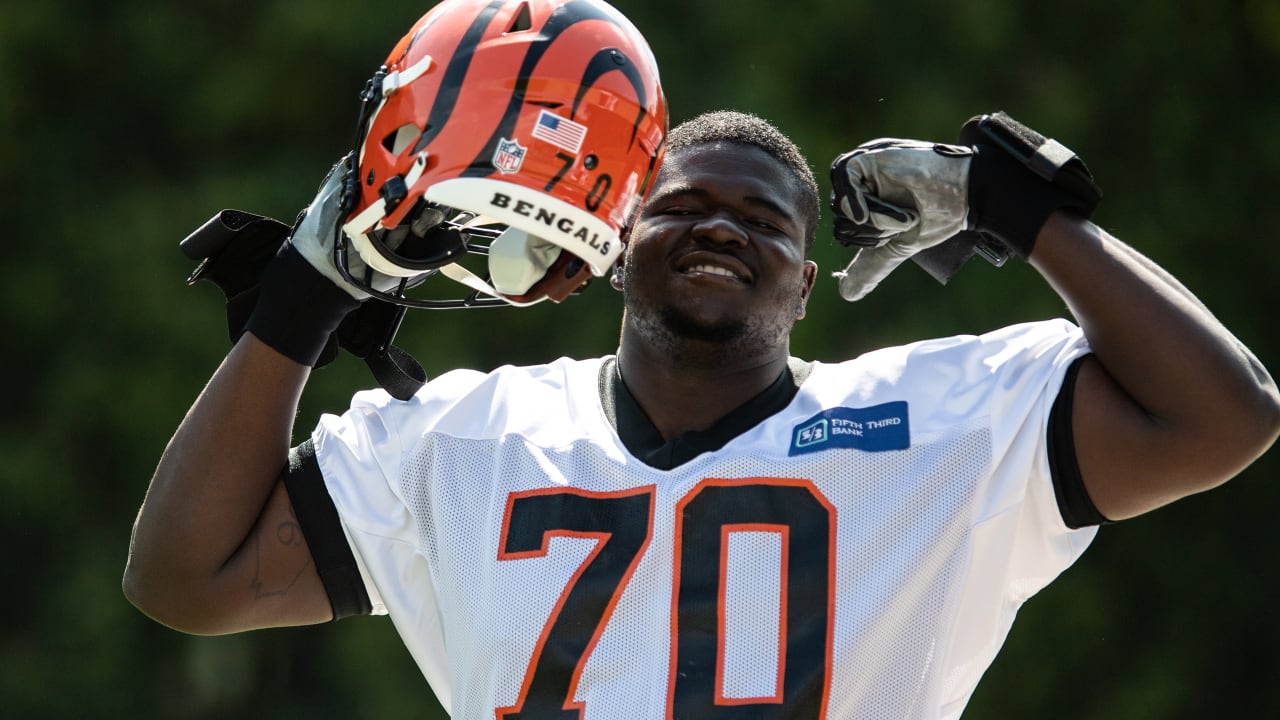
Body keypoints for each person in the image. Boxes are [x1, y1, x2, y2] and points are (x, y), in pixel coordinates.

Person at [123, 10, 1280, 720]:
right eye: (685, 207)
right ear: (614, 243)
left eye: (767, 224)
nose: (724, 229)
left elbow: (1223, 417)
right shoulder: (463, 436)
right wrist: (301, 307)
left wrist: (1015, 209)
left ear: (809, 284)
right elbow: (184, 580)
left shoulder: (934, 424)